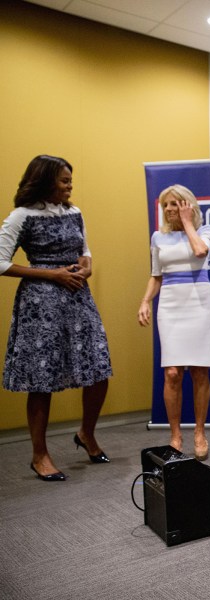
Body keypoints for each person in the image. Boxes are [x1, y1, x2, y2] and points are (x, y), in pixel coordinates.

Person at [0, 155, 113, 481]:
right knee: (42, 379)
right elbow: (1, 262)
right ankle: (40, 455)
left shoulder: (74, 213)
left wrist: (87, 265)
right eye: (64, 181)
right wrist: (51, 275)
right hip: (41, 306)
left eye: (70, 181)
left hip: (78, 299)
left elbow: (85, 250)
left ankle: (86, 433)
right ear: (46, 181)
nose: (69, 186)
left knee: (98, 369)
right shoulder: (22, 216)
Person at [138, 185, 210, 460]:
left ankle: (199, 432)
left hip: (199, 302)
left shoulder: (205, 232)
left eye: (175, 204)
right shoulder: (158, 237)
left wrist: (187, 223)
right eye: (166, 205)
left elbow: (199, 252)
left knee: (199, 372)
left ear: (188, 206)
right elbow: (156, 275)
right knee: (172, 373)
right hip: (170, 304)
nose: (169, 209)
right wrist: (145, 301)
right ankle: (175, 434)